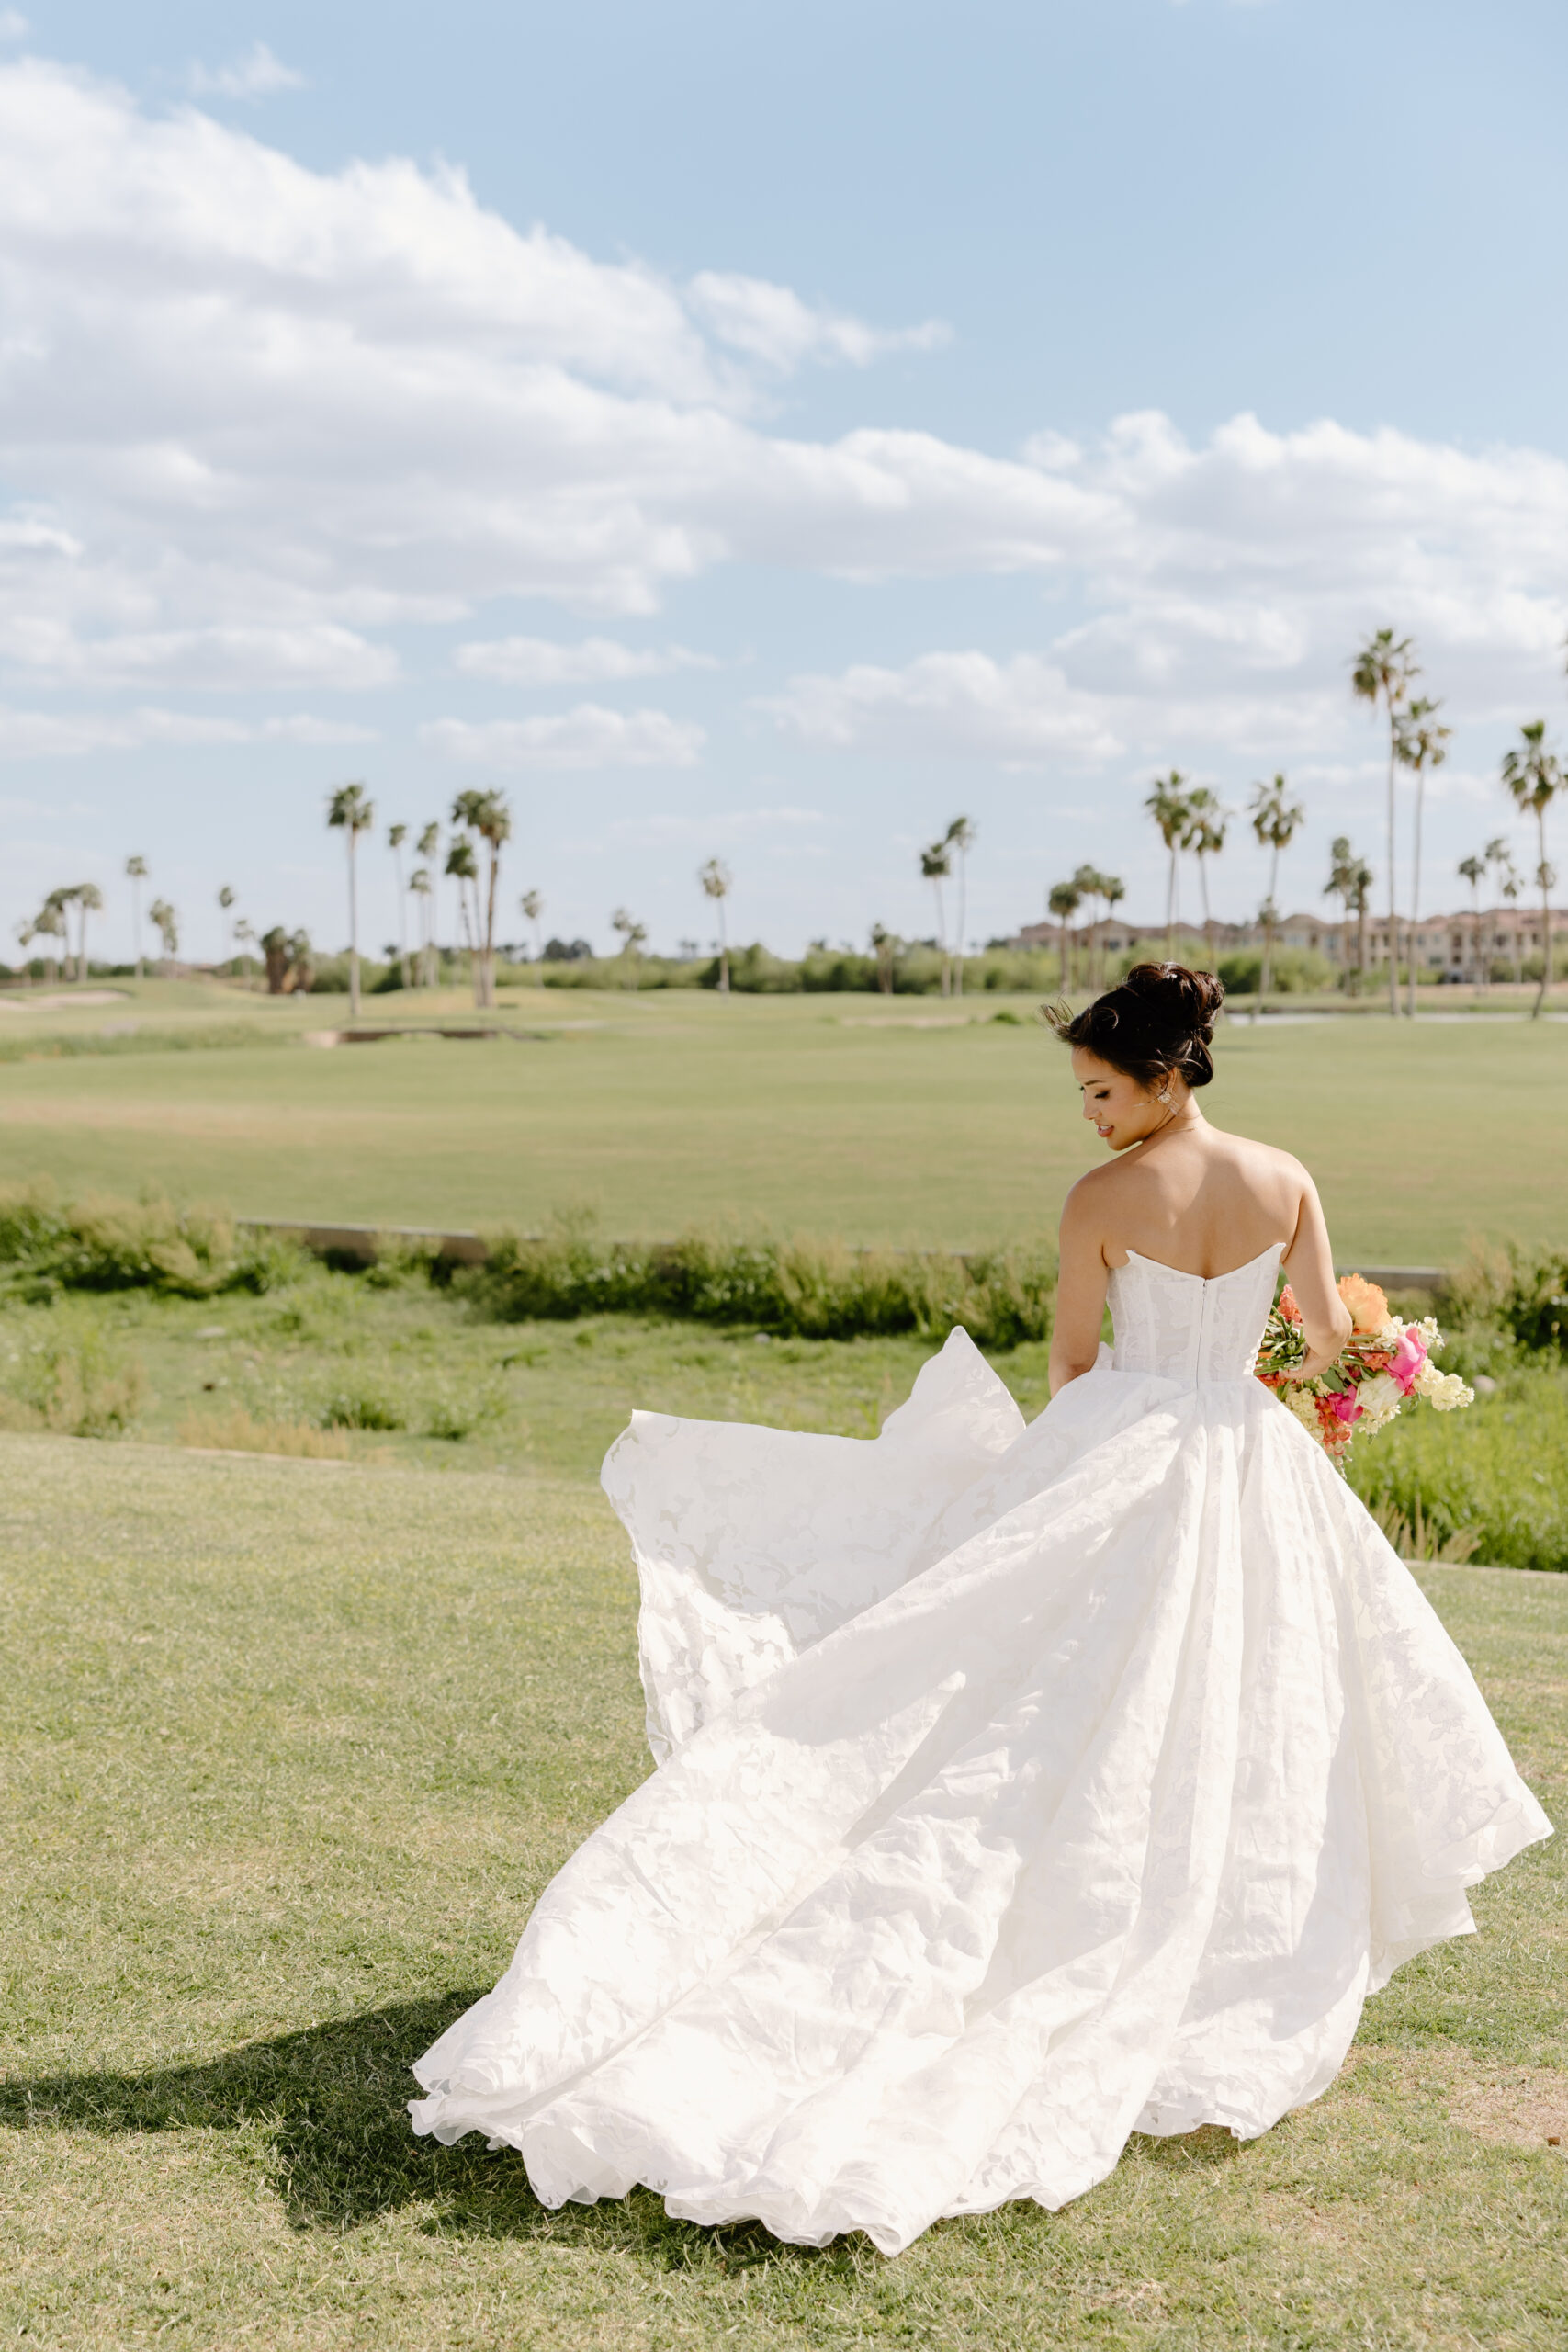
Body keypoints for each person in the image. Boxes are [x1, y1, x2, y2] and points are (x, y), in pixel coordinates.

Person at [410, 963, 1549, 2256]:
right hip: (1249, 1453)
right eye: (1081, 1095)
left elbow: (1072, 1365)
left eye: (1104, 1091)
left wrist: (1074, 1463)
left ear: (1166, 1076)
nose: (1091, 1116)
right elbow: (1325, 1350)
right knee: (1243, 1698)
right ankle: (1215, 1934)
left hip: (1131, 1437)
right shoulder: (1286, 1179)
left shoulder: (1104, 1200)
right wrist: (1363, 1359)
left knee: (1029, 1683)